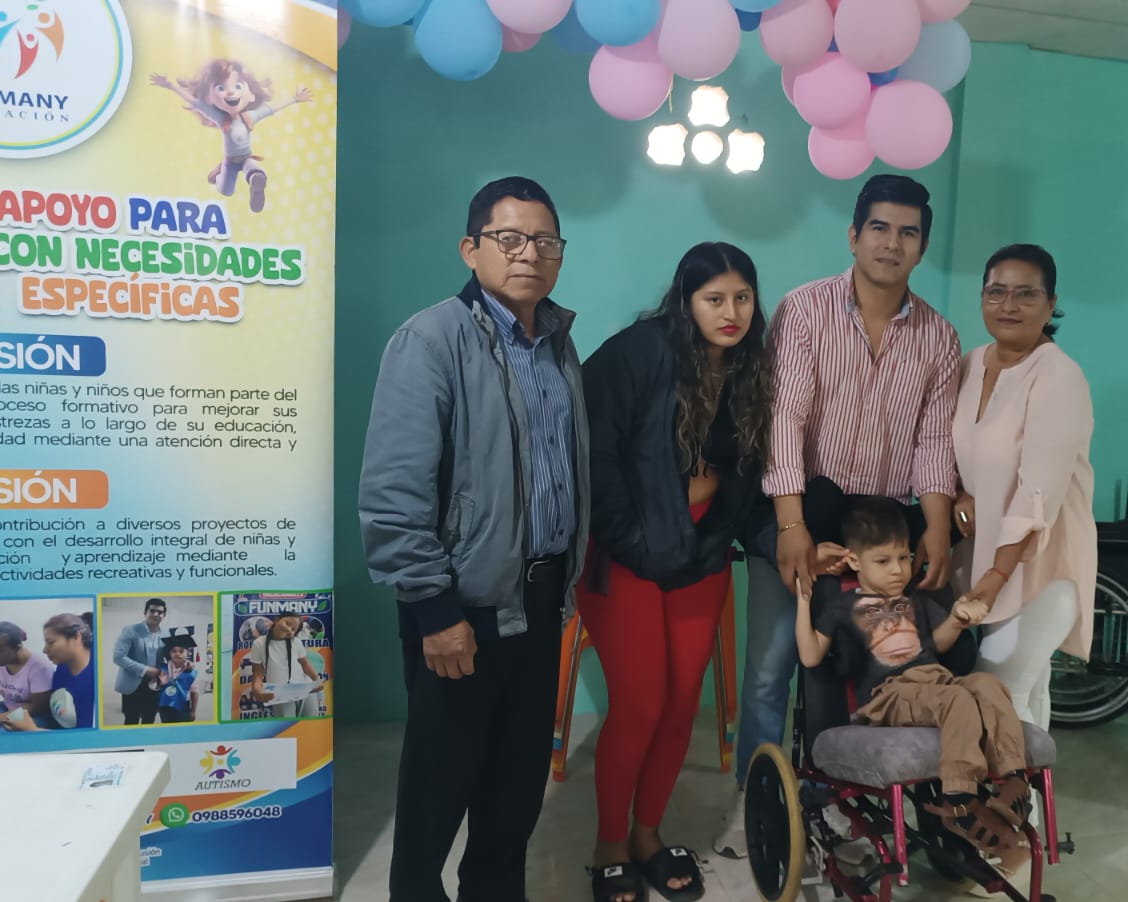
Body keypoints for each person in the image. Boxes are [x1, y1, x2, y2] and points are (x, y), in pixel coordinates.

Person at [359, 176, 591, 902]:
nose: (530, 254)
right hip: (461, 609)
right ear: (471, 248)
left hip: (541, 603)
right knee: (436, 797)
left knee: (513, 798)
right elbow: (394, 493)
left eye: (545, 241)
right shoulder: (431, 339)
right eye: (509, 239)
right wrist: (434, 610)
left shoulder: (557, 344)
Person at [718, 174, 962, 856]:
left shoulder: (940, 338)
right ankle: (759, 805)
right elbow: (786, 421)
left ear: (923, 248)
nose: (892, 243)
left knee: (873, 665)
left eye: (908, 232)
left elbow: (934, 443)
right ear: (854, 235)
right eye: (879, 227)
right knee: (773, 666)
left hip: (884, 528)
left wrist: (935, 528)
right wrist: (792, 527)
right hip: (801, 506)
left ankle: (852, 793)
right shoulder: (804, 310)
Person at [579, 242, 774, 902]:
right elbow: (595, 457)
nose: (730, 312)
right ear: (685, 301)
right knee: (640, 703)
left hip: (700, 553)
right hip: (625, 551)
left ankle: (647, 835)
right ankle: (609, 844)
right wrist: (634, 542)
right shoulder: (638, 353)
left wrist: (721, 537)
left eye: (742, 297)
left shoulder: (751, 366)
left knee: (682, 704)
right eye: (713, 299)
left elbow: (746, 476)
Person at [796, 500, 1028, 859]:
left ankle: (1013, 779)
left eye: (903, 558)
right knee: (957, 700)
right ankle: (960, 798)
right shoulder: (842, 607)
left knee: (987, 683)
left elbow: (937, 644)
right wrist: (803, 600)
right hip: (889, 693)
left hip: (934, 680)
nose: (898, 570)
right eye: (883, 561)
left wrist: (957, 620)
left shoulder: (914, 600)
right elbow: (811, 656)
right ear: (855, 561)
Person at [951, 244, 1096, 734]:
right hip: (982, 563)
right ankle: (1031, 788)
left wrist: (995, 578)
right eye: (996, 292)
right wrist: (961, 494)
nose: (1008, 305)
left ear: (1050, 304)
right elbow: (962, 453)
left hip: (1036, 569)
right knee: (1026, 697)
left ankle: (1013, 787)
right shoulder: (971, 363)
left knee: (998, 696)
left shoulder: (1058, 376)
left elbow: (1039, 492)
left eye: (1026, 294)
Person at [4, 613, 96, 731]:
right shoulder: (63, 666)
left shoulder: (93, 682)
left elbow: (84, 738)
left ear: (76, 637)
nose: (45, 650)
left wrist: (31, 729)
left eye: (51, 642)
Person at [0, 622, 56, 732]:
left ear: (17, 648)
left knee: (2, 731)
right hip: (8, 708)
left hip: (34, 714)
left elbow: (37, 707)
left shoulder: (40, 668)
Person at [249, 610, 326, 719]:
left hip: (305, 689)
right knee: (286, 725)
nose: (289, 629)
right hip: (280, 694)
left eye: (293, 629)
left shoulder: (296, 642)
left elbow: (305, 664)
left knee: (309, 723)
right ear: (277, 620)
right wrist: (257, 689)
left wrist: (317, 681)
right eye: (287, 623)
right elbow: (257, 672)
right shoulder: (259, 644)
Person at [112, 597, 167, 725]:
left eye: (160, 612)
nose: (156, 614)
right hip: (133, 684)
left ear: (163, 615)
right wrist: (146, 669)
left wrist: (186, 664)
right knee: (131, 721)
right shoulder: (130, 630)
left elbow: (170, 656)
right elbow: (118, 657)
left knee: (149, 719)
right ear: (145, 612)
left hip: (155, 685)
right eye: (152, 610)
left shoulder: (166, 634)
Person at [156, 634, 201, 724]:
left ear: (187, 653)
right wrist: (159, 683)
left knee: (183, 729)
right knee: (167, 729)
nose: (177, 654)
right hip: (165, 707)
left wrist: (193, 711)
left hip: (183, 707)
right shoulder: (162, 668)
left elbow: (195, 693)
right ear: (169, 653)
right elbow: (152, 686)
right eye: (174, 651)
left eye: (181, 651)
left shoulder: (191, 672)